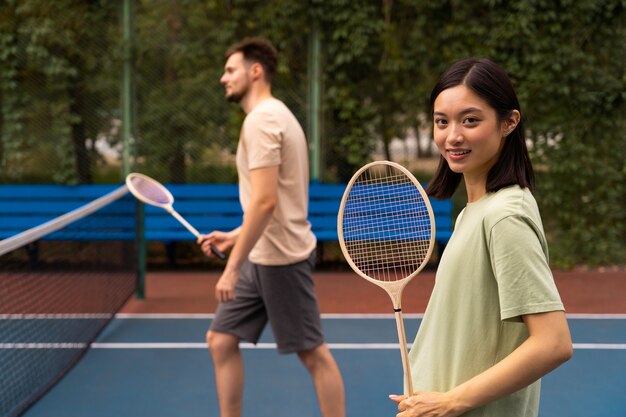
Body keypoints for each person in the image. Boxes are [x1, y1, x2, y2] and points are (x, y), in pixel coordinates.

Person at [389, 58, 573, 417]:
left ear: (509, 122)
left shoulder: (504, 216)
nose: (452, 135)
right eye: (442, 121)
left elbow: (554, 343)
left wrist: (450, 401)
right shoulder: (475, 211)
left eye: (470, 120)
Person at [198, 37, 346, 417]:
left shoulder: (262, 121)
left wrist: (231, 269)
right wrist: (233, 237)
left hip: (281, 259)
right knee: (220, 339)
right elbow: (272, 200)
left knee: (313, 354)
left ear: (255, 71)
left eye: (231, 70)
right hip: (260, 254)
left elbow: (265, 202)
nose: (223, 78)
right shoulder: (275, 115)